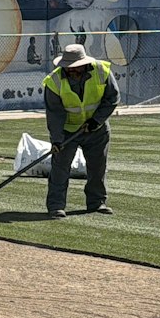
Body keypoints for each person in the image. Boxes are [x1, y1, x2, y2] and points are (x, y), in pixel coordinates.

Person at [42, 42, 117, 218]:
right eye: (68, 68)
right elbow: (54, 114)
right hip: (68, 130)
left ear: (84, 65)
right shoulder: (54, 82)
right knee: (60, 168)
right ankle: (56, 206)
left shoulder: (102, 72)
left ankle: (97, 202)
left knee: (97, 167)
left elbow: (112, 99)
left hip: (96, 129)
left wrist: (95, 121)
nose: (71, 71)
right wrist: (57, 140)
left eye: (75, 68)